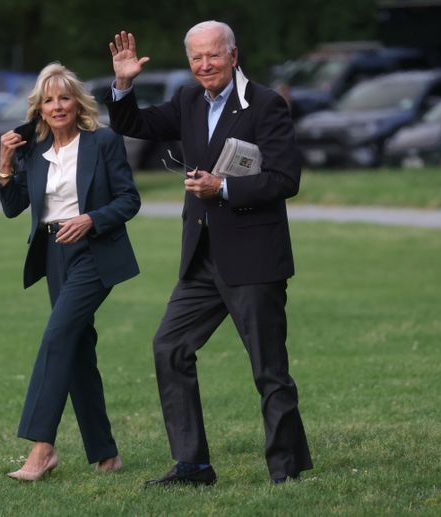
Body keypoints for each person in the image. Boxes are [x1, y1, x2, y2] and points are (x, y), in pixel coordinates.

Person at [106, 21, 313, 486]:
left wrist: (223, 187)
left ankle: (288, 469)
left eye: (213, 56)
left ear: (233, 56)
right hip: (201, 258)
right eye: (196, 58)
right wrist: (123, 84)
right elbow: (133, 124)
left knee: (268, 369)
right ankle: (193, 466)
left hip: (254, 258)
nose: (204, 66)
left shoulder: (265, 104)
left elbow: (285, 179)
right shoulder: (187, 101)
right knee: (169, 347)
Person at [0, 62, 140, 481]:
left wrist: (92, 219)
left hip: (95, 253)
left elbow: (130, 200)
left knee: (57, 337)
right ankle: (106, 453)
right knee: (76, 351)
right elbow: (12, 208)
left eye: (63, 97)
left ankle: (42, 449)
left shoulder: (104, 141)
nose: (57, 106)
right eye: (48, 100)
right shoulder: (34, 150)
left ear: (77, 103)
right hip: (54, 256)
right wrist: (6, 162)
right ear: (38, 108)